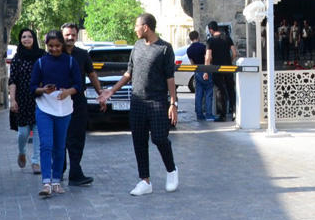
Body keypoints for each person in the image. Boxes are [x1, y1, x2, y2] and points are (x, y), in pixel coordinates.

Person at [101, 13, 178, 196]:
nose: (134, 29)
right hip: (137, 101)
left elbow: (170, 77)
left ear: (146, 27)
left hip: (158, 101)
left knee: (159, 138)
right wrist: (111, 91)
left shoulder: (165, 48)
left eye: (137, 26)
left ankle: (172, 171)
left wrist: (173, 103)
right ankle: (145, 181)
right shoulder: (136, 46)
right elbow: (129, 73)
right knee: (139, 141)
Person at [27, 30, 82, 197]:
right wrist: (43, 89)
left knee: (60, 146)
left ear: (62, 45)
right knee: (46, 144)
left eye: (57, 45)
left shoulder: (71, 62)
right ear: (46, 46)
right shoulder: (41, 63)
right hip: (44, 107)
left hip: (64, 107)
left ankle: (56, 180)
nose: (54, 49)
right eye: (51, 46)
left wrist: (68, 92)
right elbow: (32, 87)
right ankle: (46, 182)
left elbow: (79, 85)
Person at [59, 22, 105, 186]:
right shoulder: (55, 53)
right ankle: (59, 169)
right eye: (67, 35)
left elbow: (92, 75)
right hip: (58, 102)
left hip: (78, 102)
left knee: (77, 137)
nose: (70, 37)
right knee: (60, 136)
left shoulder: (82, 54)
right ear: (62, 35)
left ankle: (75, 172)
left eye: (73, 35)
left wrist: (101, 94)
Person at [7, 28, 43, 173]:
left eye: (29, 36)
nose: (26, 39)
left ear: (34, 39)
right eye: (23, 37)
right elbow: (13, 80)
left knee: (38, 131)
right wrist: (13, 100)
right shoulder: (17, 58)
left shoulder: (42, 56)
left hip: (39, 98)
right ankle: (22, 152)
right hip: (22, 99)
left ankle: (35, 162)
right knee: (23, 133)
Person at [205, 20, 236, 121]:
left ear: (210, 30)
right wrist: (229, 61)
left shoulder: (210, 41)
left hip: (216, 68)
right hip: (228, 67)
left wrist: (206, 71)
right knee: (231, 89)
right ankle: (234, 112)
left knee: (220, 91)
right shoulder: (227, 38)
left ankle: (222, 115)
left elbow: (208, 57)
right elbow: (234, 53)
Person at [185, 30, 212, 121]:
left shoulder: (189, 50)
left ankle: (199, 114)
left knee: (198, 94)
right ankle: (208, 114)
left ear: (190, 38)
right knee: (208, 93)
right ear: (198, 37)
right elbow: (207, 58)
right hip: (205, 69)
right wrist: (206, 71)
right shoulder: (203, 47)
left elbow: (192, 63)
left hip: (197, 71)